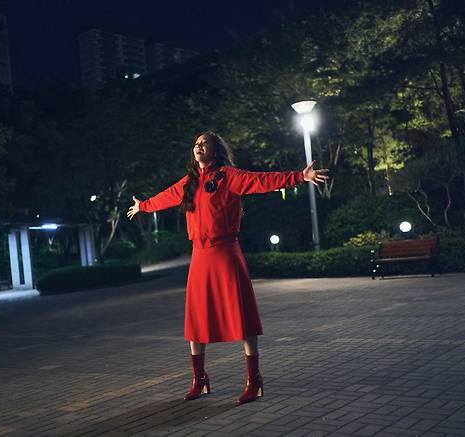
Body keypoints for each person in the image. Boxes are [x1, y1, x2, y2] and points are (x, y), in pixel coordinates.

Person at [127, 131, 329, 404]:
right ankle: (199, 379)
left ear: (216, 150)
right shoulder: (189, 182)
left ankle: (254, 380)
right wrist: (143, 206)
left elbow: (261, 181)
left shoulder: (228, 176)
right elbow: (167, 196)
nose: (198, 147)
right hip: (200, 256)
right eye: (196, 144)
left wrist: (298, 176)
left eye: (204, 144)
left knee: (241, 315)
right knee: (196, 319)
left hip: (225, 253)